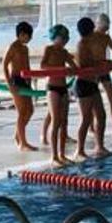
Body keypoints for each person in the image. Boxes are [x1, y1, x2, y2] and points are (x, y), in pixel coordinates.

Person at [40, 24, 78, 167]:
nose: (64, 40)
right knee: (56, 121)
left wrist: (71, 68)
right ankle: (54, 156)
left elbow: (74, 67)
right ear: (54, 37)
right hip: (53, 89)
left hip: (63, 88)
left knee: (64, 123)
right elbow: (43, 66)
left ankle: (62, 154)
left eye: (66, 38)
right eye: (62, 38)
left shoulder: (64, 52)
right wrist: (61, 68)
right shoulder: (48, 49)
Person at [74, 17, 109, 161]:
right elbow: (84, 67)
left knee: (101, 115)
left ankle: (99, 146)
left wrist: (103, 64)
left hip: (92, 84)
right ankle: (79, 150)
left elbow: (92, 63)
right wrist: (100, 67)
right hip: (83, 84)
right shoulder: (82, 45)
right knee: (86, 119)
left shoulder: (88, 43)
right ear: (90, 30)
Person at [2, 21, 36, 152]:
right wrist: (9, 83)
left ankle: (18, 135)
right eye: (29, 36)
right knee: (22, 112)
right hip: (16, 81)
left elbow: (27, 65)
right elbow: (4, 65)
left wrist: (30, 78)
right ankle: (22, 143)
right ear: (21, 34)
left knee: (30, 110)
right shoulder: (13, 47)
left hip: (25, 81)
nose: (30, 38)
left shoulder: (25, 48)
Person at [91, 14, 112, 135]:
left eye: (106, 29)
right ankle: (91, 126)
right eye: (104, 28)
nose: (105, 31)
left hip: (104, 70)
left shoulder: (106, 38)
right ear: (98, 25)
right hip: (94, 71)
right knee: (91, 101)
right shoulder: (91, 36)